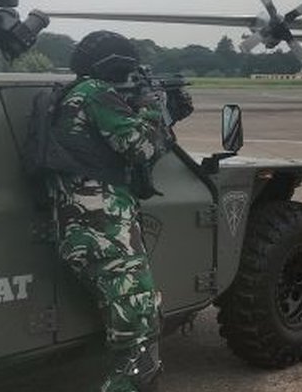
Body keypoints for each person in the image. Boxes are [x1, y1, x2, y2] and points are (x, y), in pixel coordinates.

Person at [52, 31, 171, 392]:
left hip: (85, 223)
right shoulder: (95, 95)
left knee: (136, 321)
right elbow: (142, 147)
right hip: (102, 227)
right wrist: (153, 109)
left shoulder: (74, 95)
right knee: (138, 340)